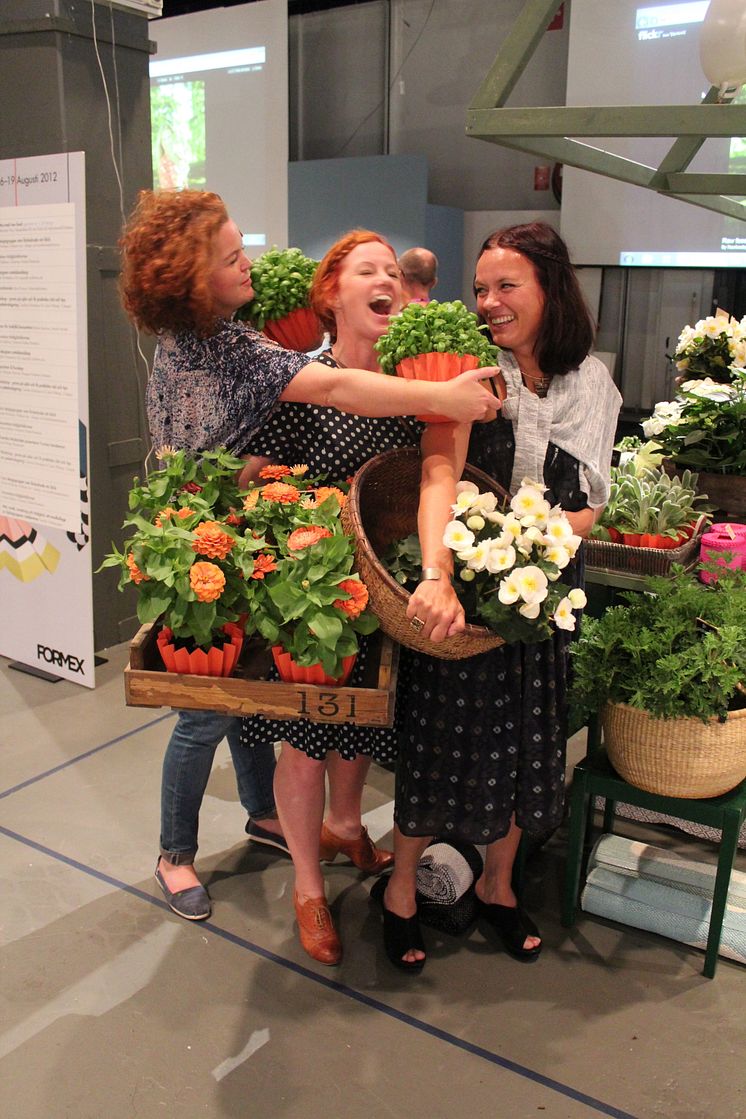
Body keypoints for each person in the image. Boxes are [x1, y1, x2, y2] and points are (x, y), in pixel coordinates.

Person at [118, 190, 500, 923]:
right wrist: (447, 396)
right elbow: (335, 385)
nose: (250, 263)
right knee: (205, 712)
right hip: (205, 536)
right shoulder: (234, 349)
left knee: (247, 703)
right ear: (196, 281)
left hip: (215, 529)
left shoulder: (194, 339)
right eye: (232, 257)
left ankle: (264, 813)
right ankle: (174, 853)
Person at [373, 221, 622, 971]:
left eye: (506, 285)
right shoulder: (466, 374)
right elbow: (438, 476)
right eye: (481, 288)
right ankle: (402, 892)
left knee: (525, 742)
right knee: (439, 740)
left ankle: (500, 886)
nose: (489, 302)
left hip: (541, 592)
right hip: (465, 590)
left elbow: (593, 498)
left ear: (551, 289)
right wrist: (438, 573)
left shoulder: (592, 384)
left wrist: (549, 538)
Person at [238, 230, 443, 965]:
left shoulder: (415, 384)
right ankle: (305, 887)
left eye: (393, 269)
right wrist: (291, 520)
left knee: (365, 723)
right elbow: (250, 476)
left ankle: (348, 827)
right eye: (368, 270)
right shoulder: (301, 379)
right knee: (306, 741)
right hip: (313, 595)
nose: (386, 278)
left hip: (384, 592)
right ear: (332, 294)